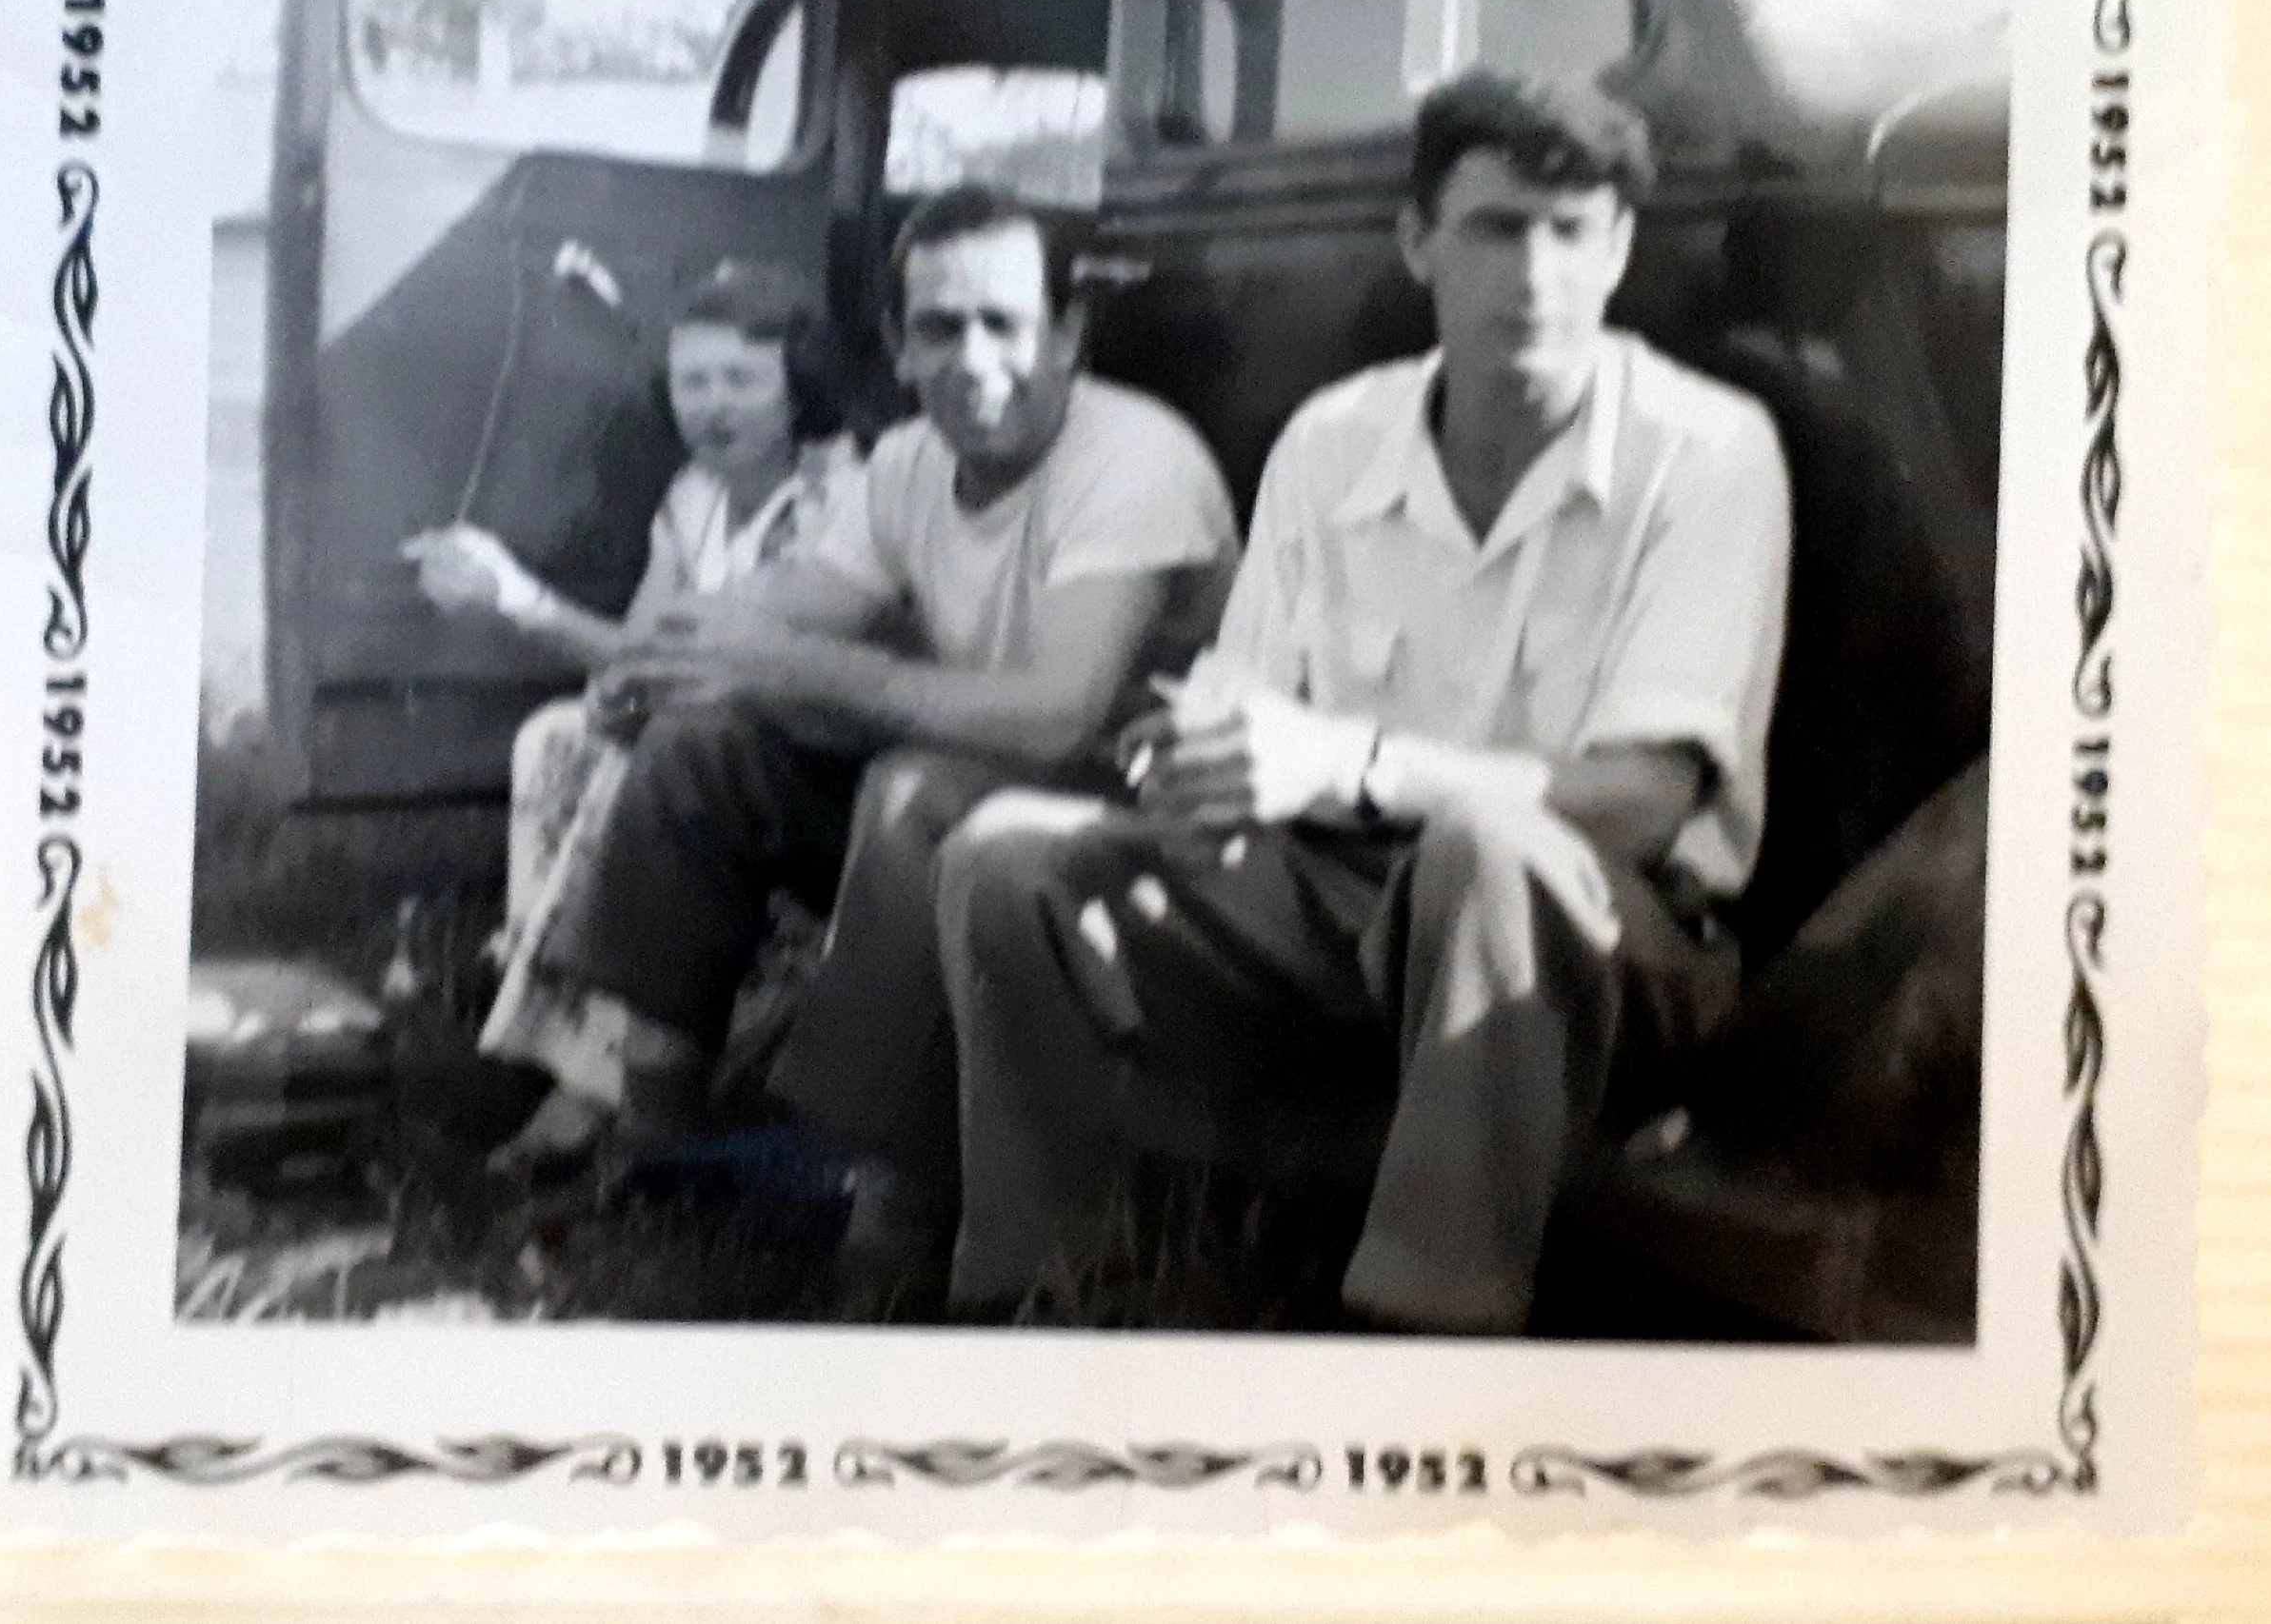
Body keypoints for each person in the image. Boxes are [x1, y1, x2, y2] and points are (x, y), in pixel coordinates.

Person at [928, 69, 1793, 1332]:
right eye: (1498, 228)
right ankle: (1041, 1292)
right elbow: (1245, 705)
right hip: (1333, 901)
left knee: (1486, 850)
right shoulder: (1334, 436)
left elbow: (1648, 804)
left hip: (1606, 943)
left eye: (1572, 232)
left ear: (1617, 251)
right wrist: (1199, 758)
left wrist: (1346, 758)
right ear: (1417, 240)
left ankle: (1425, 1330)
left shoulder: (1710, 449)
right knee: (1003, 857)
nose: (1536, 273)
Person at [525, 185, 1240, 1195]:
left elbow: (1059, 712)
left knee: (910, 785)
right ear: (900, 350)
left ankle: (881, 1185)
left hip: (1134, 825)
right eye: (941, 329)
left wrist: (810, 669)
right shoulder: (907, 462)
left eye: (1007, 324)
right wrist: (659, 651)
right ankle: (656, 1133)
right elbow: (787, 603)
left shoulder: (1134, 458)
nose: (975, 361)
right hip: (962, 788)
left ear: (1070, 335)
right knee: (703, 744)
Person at [399, 258, 861, 1170]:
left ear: (798, 385)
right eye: (692, 380)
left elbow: (727, 657)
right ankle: (570, 1047)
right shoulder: (691, 500)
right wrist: (617, 681)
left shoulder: (839, 494)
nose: (711, 405)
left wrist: (523, 601)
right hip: (710, 742)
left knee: (631, 756)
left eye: (741, 379)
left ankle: (590, 1083)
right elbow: (647, 646)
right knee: (562, 735)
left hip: (816, 764)